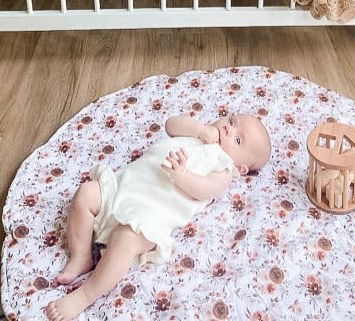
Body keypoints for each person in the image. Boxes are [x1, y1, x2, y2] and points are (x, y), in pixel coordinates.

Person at [45, 113, 272, 321]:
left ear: (241, 168)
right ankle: (81, 256)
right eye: (231, 121)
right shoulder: (199, 131)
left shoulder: (223, 170)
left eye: (238, 140)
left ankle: (85, 294)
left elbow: (206, 190)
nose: (228, 130)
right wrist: (200, 130)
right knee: (86, 193)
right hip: (123, 187)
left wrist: (182, 175)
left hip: (149, 213)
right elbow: (171, 125)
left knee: (125, 240)